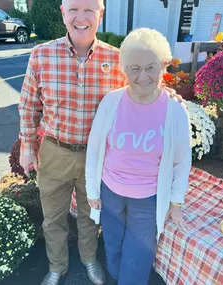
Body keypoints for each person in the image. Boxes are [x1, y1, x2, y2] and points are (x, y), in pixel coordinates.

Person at [18, 0, 128, 284]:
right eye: (74, 9)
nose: (82, 17)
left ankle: (89, 259)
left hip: (97, 157)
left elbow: (135, 103)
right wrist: (28, 149)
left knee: (91, 215)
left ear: (100, 16)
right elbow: (29, 107)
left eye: (89, 10)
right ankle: (57, 266)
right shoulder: (41, 55)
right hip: (55, 152)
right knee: (53, 218)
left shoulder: (117, 60)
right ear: (63, 14)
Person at [86, 28, 192, 285]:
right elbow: (95, 148)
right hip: (110, 192)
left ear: (163, 66)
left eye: (150, 67)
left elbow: (181, 160)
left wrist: (176, 203)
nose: (143, 76)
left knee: (138, 256)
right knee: (113, 245)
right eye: (134, 68)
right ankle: (115, 276)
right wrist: (92, 191)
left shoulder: (175, 111)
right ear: (124, 68)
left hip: (148, 198)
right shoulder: (111, 102)